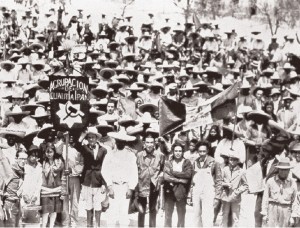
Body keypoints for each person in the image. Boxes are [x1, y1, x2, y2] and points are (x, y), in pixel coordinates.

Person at [102, 129, 138, 227]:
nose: (120, 143)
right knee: (112, 213)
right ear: (115, 141)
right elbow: (104, 170)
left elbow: (134, 172)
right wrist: (109, 186)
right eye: (118, 141)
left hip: (125, 187)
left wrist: (131, 188)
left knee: (124, 213)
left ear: (125, 142)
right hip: (113, 186)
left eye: (122, 141)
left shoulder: (130, 155)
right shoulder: (110, 154)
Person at [76, 127, 107, 228]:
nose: (91, 139)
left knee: (98, 204)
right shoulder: (85, 148)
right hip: (87, 179)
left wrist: (103, 183)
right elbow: (77, 145)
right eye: (89, 137)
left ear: (97, 138)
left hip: (99, 180)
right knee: (88, 204)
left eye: (93, 137)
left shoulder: (103, 150)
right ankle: (89, 225)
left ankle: (97, 225)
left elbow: (105, 166)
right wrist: (83, 135)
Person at [136, 133, 165, 227]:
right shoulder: (139, 155)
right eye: (147, 142)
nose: (149, 145)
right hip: (142, 184)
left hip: (154, 184)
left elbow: (163, 169)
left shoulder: (160, 155)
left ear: (154, 143)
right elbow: (135, 169)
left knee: (153, 209)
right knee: (141, 210)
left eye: (151, 142)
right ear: (144, 143)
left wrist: (160, 177)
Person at [261, 157, 298, 227]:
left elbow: (295, 201)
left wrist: (293, 216)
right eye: (281, 169)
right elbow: (265, 198)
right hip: (272, 209)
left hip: (286, 210)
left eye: (285, 170)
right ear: (278, 169)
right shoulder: (270, 181)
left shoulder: (292, 183)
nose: (283, 172)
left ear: (289, 170)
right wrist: (264, 213)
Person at [192, 140, 222, 227]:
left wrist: (217, 196)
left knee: (207, 215)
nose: (202, 153)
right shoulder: (195, 162)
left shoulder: (214, 162)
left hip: (208, 191)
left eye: (204, 151)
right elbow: (193, 179)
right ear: (197, 151)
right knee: (196, 215)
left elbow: (219, 180)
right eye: (200, 151)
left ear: (208, 151)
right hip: (197, 191)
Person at [163, 143, 193, 227]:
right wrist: (180, 180)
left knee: (181, 215)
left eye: (180, 151)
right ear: (173, 151)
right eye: (176, 151)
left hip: (181, 191)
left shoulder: (187, 162)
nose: (178, 153)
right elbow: (166, 177)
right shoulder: (168, 162)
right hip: (169, 190)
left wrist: (173, 173)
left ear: (183, 152)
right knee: (168, 215)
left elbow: (188, 175)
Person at [61, 135, 84, 228]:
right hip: (64, 176)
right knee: (64, 200)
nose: (71, 137)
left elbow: (82, 163)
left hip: (75, 177)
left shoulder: (79, 149)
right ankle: (65, 222)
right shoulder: (62, 147)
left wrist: (73, 170)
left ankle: (74, 221)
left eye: (72, 136)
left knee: (75, 201)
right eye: (69, 136)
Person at [41, 143, 65, 228]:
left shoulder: (60, 162)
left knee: (54, 211)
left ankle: (51, 226)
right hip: (45, 189)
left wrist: (63, 190)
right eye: (47, 152)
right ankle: (44, 226)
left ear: (54, 152)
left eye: (51, 152)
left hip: (56, 189)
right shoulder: (43, 162)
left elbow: (63, 176)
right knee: (45, 211)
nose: (49, 154)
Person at [0, 150, 27, 227]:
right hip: (9, 204)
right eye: (21, 158)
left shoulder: (22, 171)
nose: (23, 161)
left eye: (25, 159)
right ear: (16, 158)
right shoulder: (9, 171)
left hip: (17, 204)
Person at [220, 152, 248, 227]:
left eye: (235, 160)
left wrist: (237, 191)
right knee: (224, 215)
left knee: (235, 216)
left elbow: (245, 185)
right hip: (225, 196)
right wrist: (225, 184)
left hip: (235, 197)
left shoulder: (241, 171)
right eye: (231, 159)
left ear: (238, 161)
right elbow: (219, 182)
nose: (232, 161)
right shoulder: (225, 169)